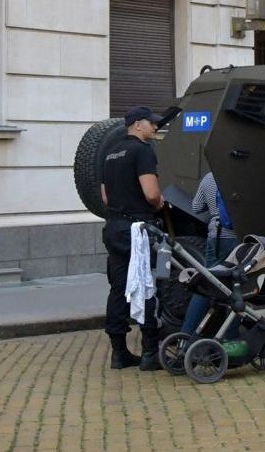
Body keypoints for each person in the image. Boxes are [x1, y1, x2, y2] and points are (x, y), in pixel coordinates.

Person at [99, 106, 166, 371]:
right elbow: (151, 193)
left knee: (118, 288)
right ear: (137, 124)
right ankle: (150, 353)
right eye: (152, 123)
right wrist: (160, 203)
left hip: (114, 228)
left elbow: (105, 197)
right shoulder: (142, 151)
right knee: (144, 285)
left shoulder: (110, 153)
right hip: (138, 229)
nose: (156, 127)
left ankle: (119, 353)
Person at [179, 171, 236, 339]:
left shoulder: (209, 178)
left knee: (206, 285)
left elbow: (196, 207)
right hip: (237, 238)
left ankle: (186, 335)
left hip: (215, 238)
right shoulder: (238, 173)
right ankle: (230, 338)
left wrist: (213, 207)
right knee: (236, 288)